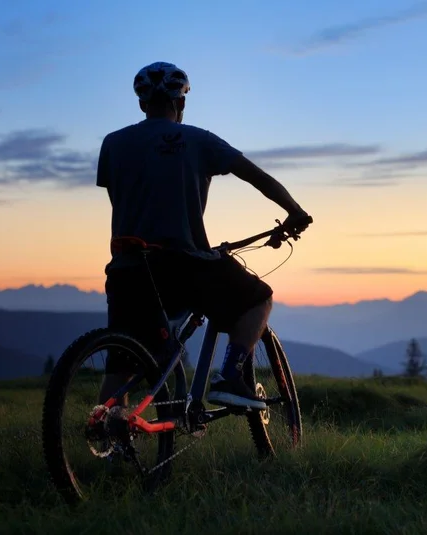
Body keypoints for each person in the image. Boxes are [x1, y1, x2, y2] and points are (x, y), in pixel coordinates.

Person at [95, 61, 312, 410]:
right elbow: (257, 176)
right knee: (259, 298)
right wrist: (295, 212)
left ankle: (103, 434)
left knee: (122, 361)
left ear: (141, 103)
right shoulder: (198, 139)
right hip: (182, 263)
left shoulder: (113, 144)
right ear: (181, 104)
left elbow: (120, 199)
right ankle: (229, 375)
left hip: (127, 267)